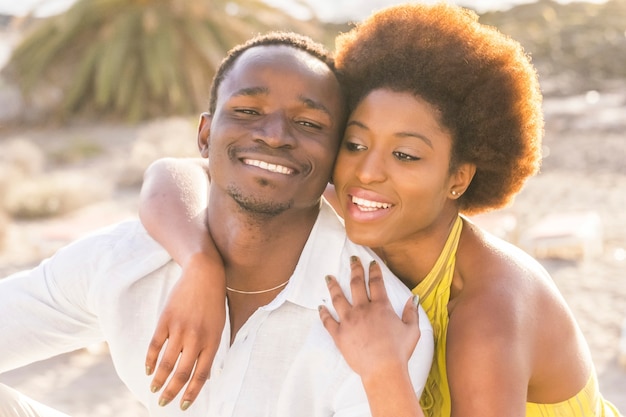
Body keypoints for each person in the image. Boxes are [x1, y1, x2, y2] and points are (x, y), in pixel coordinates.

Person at [137, 3, 623, 417]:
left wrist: (383, 369)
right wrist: (198, 263)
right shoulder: (356, 204)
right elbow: (174, 174)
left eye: (406, 155)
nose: (367, 173)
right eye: (354, 143)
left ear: (459, 177)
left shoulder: (488, 313)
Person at [0, 31, 434, 417]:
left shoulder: (382, 325)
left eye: (308, 122)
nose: (275, 134)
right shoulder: (124, 261)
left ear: (336, 156)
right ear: (205, 136)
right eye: (247, 110)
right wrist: (199, 264)